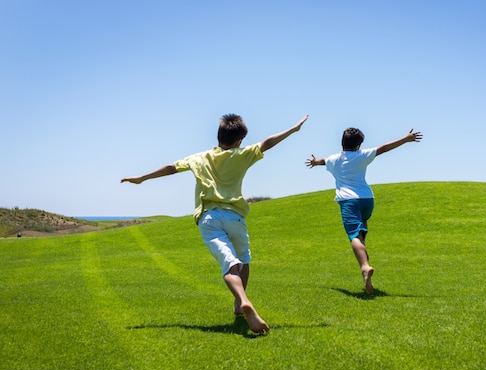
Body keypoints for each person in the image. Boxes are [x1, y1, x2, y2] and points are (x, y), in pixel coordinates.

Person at [122, 113, 309, 334]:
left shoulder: (199, 158)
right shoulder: (243, 154)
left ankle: (242, 300)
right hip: (235, 217)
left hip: (209, 218)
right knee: (243, 260)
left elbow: (171, 167)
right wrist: (292, 129)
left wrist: (141, 178)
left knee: (229, 265)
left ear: (219, 135)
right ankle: (240, 304)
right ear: (239, 140)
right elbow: (266, 143)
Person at [305, 126, 422, 294]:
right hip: (367, 200)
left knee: (354, 237)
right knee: (362, 235)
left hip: (349, 202)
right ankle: (367, 279)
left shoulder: (334, 159)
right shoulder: (361, 156)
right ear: (358, 145)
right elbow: (384, 148)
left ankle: (365, 267)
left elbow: (324, 160)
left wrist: (315, 162)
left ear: (342, 142)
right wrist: (405, 139)